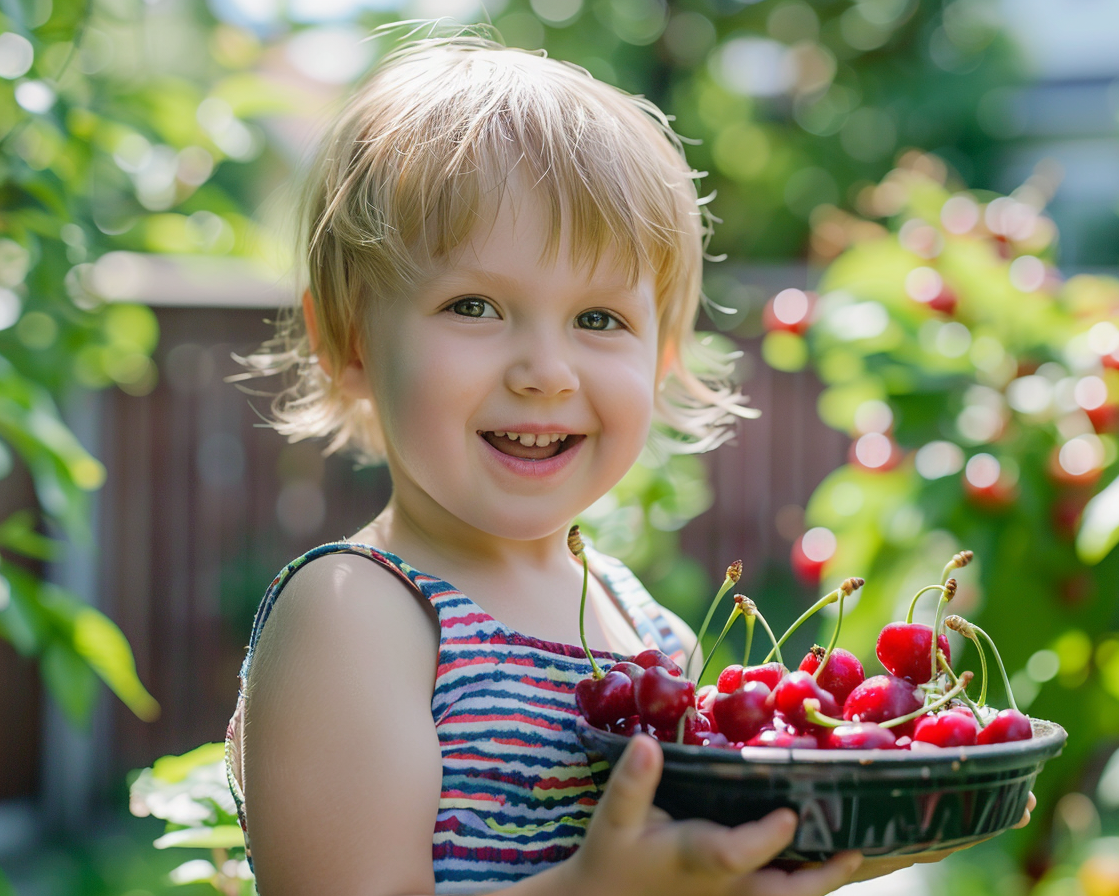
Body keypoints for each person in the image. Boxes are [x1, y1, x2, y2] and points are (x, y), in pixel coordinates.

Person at [223, 32, 1031, 896]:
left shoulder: (648, 635)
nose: (546, 371)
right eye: (475, 306)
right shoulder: (356, 616)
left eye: (599, 319)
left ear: (662, 359)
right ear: (348, 342)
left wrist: (807, 854)